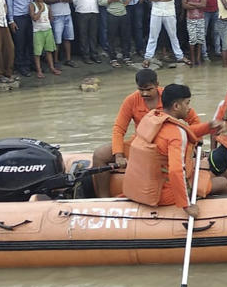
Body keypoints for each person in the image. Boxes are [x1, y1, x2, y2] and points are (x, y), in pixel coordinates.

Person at [91, 71, 214, 199]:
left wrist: (195, 145)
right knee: (100, 154)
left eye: (149, 89)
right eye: (141, 90)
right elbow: (119, 128)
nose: (145, 94)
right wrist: (118, 155)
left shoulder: (170, 97)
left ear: (157, 85)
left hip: (165, 145)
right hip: (141, 145)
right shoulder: (131, 100)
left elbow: (193, 120)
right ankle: (103, 199)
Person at [122, 83, 224, 215]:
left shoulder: (153, 118)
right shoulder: (176, 134)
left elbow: (183, 131)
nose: (189, 108)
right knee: (223, 182)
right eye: (187, 103)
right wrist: (186, 205)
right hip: (164, 194)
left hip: (144, 188)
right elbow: (176, 171)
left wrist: (208, 127)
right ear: (176, 106)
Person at [143, 0, 189, 68]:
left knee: (173, 35)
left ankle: (179, 56)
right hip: (156, 12)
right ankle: (148, 57)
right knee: (153, 36)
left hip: (169, 12)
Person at [30, 0, 60, 78]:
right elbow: (34, 18)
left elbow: (51, 18)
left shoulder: (47, 6)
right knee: (37, 52)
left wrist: (47, 23)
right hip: (38, 31)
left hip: (48, 30)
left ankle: (52, 67)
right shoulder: (32, 5)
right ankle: (39, 70)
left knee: (49, 50)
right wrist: (41, 10)